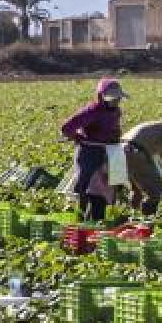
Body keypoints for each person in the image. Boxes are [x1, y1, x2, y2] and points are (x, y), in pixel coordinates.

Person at [61, 77, 126, 221]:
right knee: (89, 190)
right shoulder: (92, 111)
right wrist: (78, 137)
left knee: (111, 186)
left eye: (118, 98)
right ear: (101, 97)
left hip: (110, 152)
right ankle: (84, 219)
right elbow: (66, 128)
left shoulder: (116, 110)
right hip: (91, 153)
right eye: (112, 98)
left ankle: (99, 219)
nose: (116, 101)